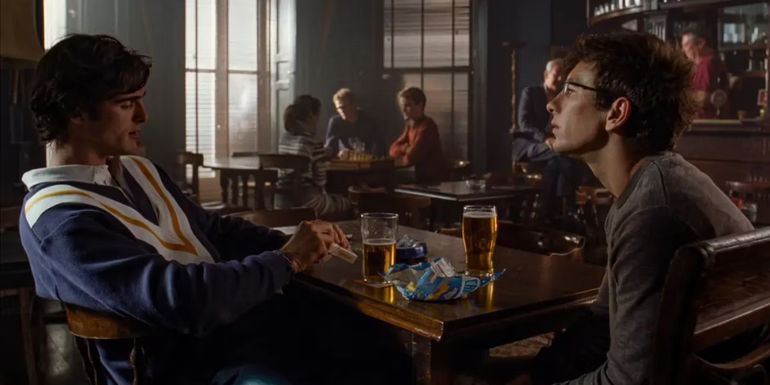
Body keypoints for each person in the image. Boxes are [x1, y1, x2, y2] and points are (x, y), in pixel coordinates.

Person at [21, 34, 350, 385]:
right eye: (127, 103)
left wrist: (302, 242)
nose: (144, 115)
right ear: (76, 110)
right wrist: (287, 261)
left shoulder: (136, 169)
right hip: (193, 370)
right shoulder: (58, 219)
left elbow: (213, 230)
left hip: (242, 338)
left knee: (371, 341)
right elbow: (183, 298)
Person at [509, 31, 755, 385]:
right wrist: (532, 374)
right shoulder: (651, 184)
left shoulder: (652, 209)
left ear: (616, 113)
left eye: (571, 90)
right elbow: (602, 320)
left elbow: (628, 380)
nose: (552, 104)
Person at [515, 59, 579, 224]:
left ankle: (548, 215)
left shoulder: (563, 98)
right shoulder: (531, 92)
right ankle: (572, 205)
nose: (559, 80)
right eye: (556, 75)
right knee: (562, 152)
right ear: (546, 75)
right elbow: (524, 124)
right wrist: (545, 138)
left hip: (554, 149)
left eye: (561, 77)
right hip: (531, 145)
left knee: (554, 164)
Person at [277, 95, 353, 221]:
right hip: (308, 203)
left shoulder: (284, 140)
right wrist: (322, 158)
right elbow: (321, 181)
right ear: (311, 116)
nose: (319, 119)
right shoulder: (312, 143)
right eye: (318, 115)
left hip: (282, 202)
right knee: (349, 203)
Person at [388, 87, 449, 184]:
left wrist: (405, 152)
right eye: (402, 106)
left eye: (407, 105)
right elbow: (392, 150)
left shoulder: (428, 127)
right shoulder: (410, 126)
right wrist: (405, 148)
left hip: (433, 182)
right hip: (419, 178)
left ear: (420, 106)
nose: (403, 109)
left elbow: (411, 158)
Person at [681, 24, 730, 118]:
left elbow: (703, 98)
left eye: (686, 45)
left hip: (704, 124)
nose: (683, 50)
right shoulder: (705, 63)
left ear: (700, 43)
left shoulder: (707, 63)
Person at [324, 88, 387, 158]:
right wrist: (338, 153)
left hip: (367, 163)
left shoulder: (369, 122)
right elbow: (330, 148)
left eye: (344, 107)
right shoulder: (335, 122)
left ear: (354, 105)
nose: (341, 111)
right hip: (344, 164)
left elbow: (378, 148)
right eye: (338, 108)